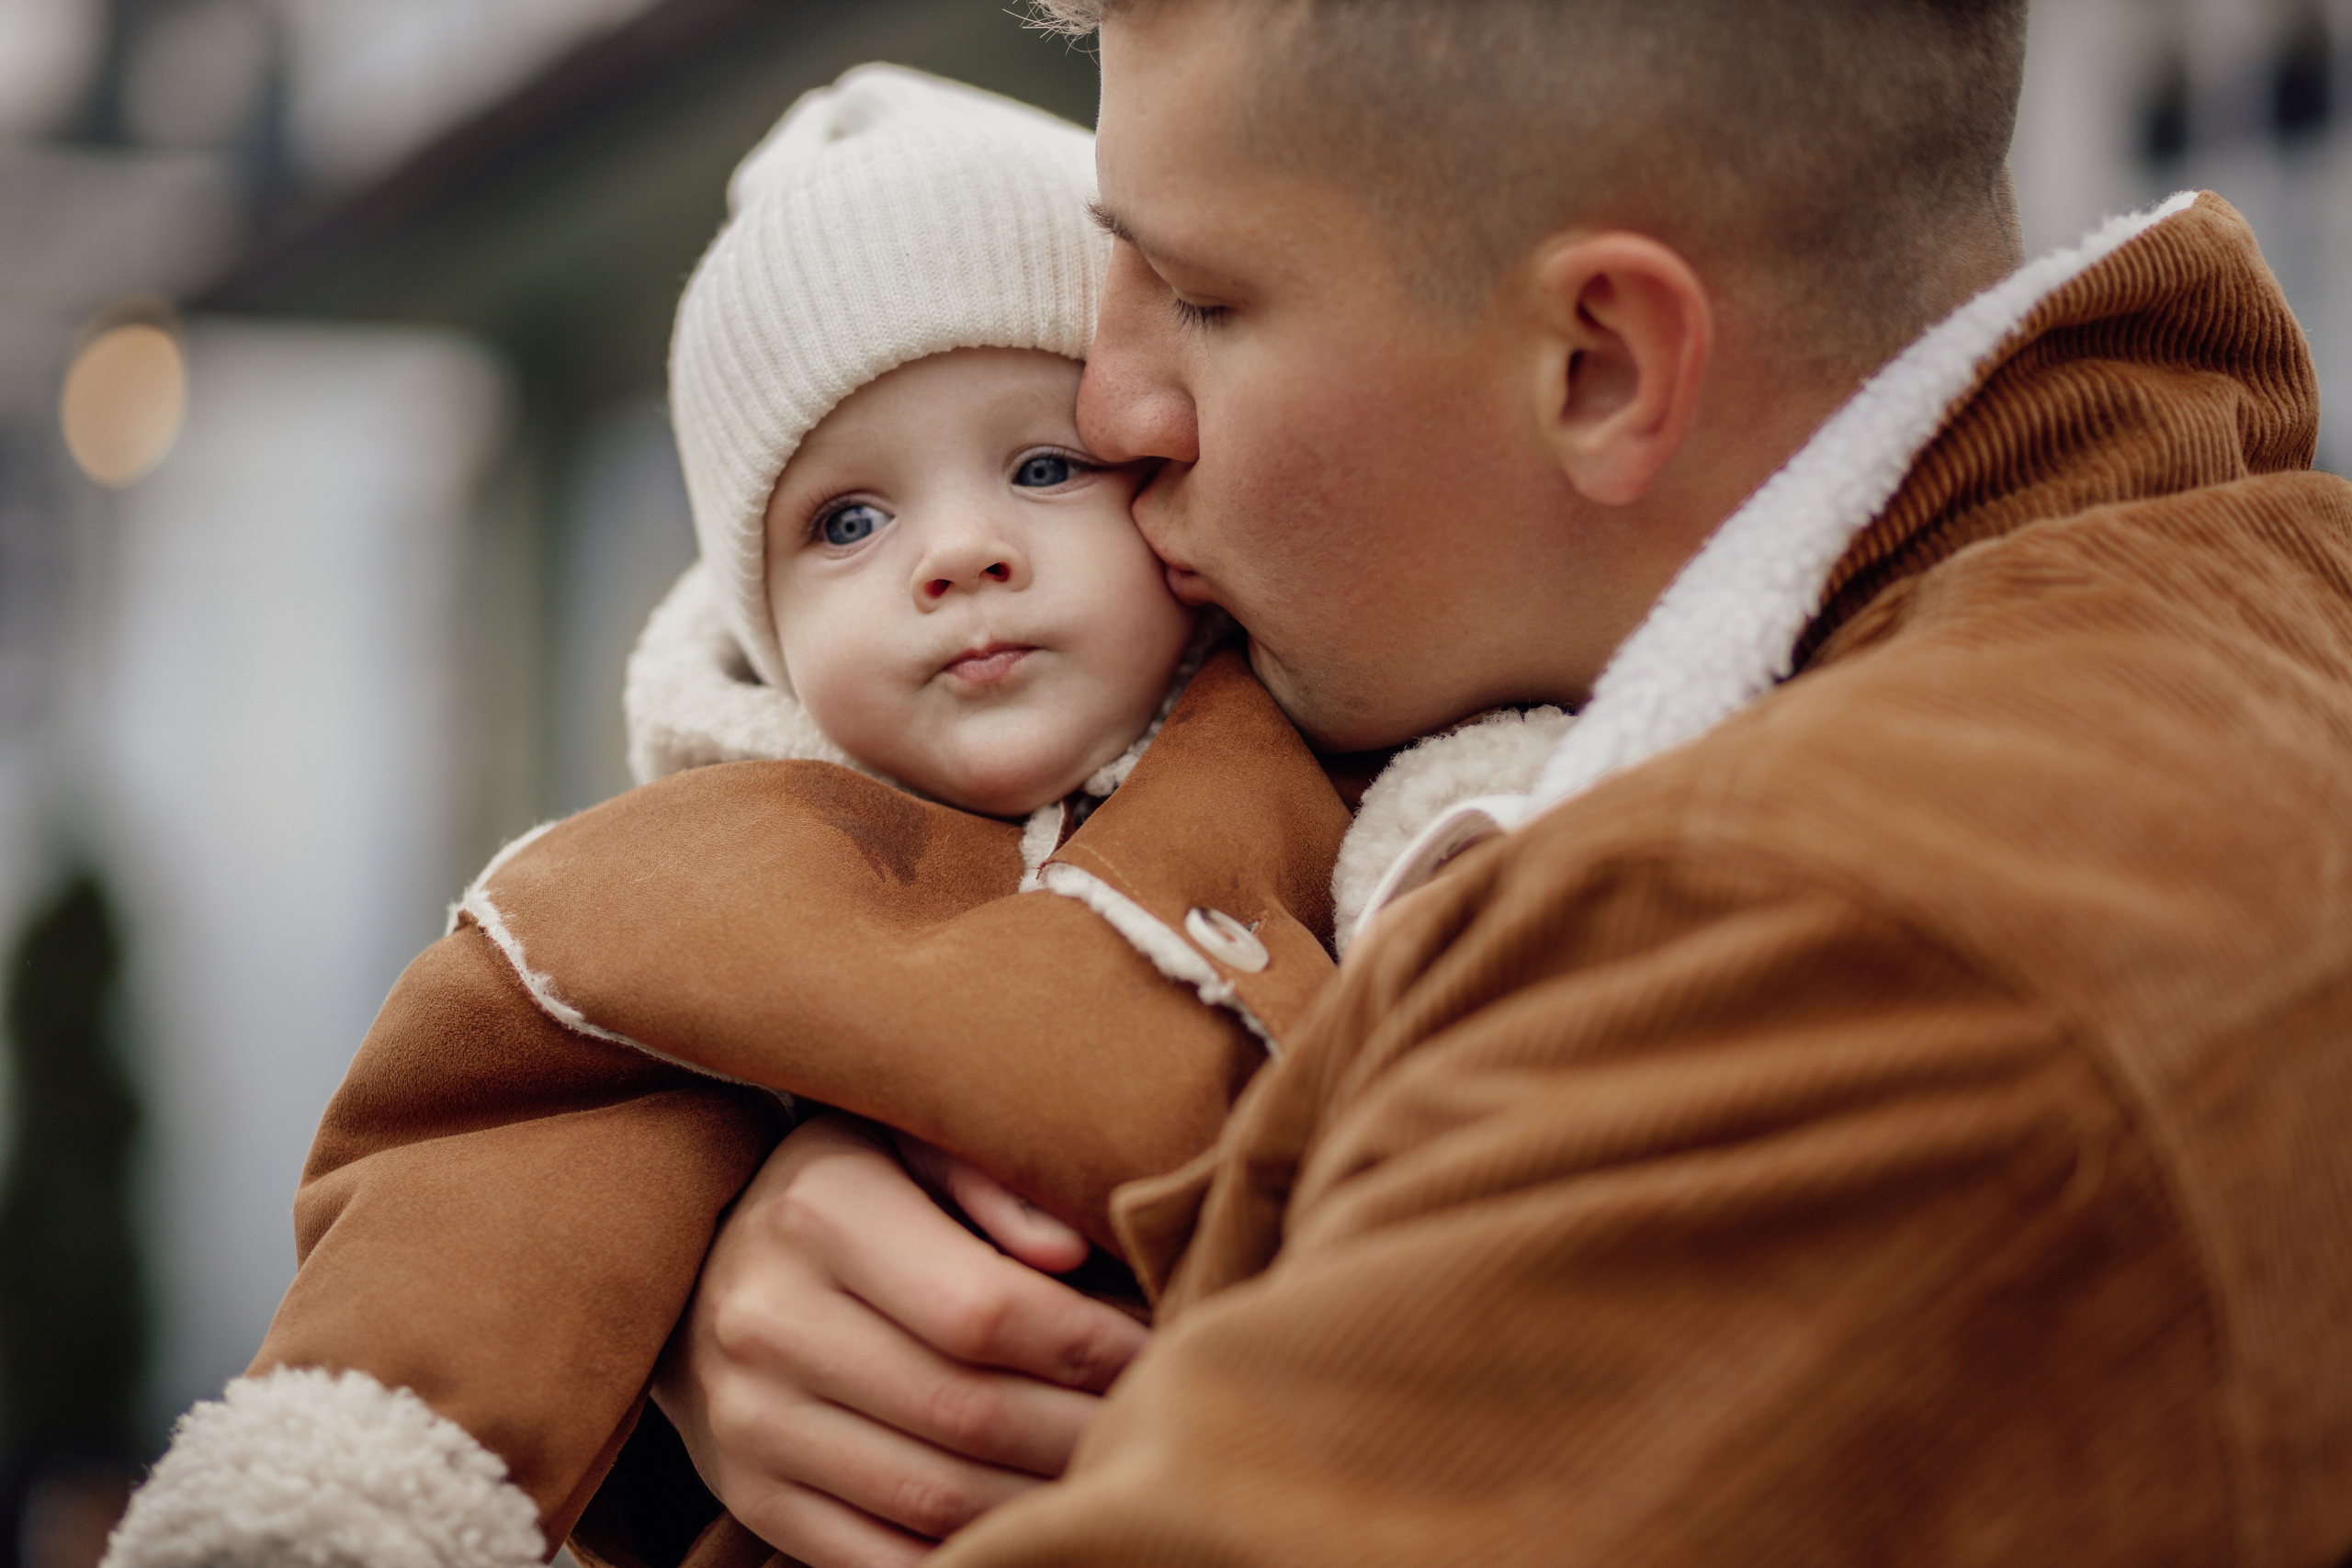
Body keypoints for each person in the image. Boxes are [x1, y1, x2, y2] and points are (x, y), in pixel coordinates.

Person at [656, 2, 2352, 1565]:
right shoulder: (2207, 610)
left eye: (1203, 298)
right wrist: (777, 1236)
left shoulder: (1829, 956)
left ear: (1598, 365)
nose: (1112, 403)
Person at [103, 63, 1566, 1568]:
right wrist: (337, 1493)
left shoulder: (1321, 758)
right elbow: (474, 1210)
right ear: (761, 627)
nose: (956, 554)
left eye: (1043, 465)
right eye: (847, 522)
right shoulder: (696, 889)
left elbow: (1481, 863)